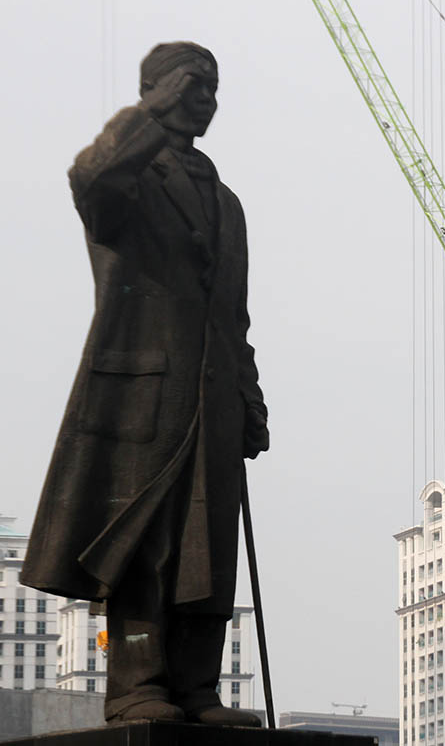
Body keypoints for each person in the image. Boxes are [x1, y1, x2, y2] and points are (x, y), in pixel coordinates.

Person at [20, 42, 269, 726]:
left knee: (208, 549)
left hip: (212, 400)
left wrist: (248, 396)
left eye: (214, 87)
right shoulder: (129, 182)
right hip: (143, 393)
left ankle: (196, 686)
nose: (205, 98)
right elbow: (91, 177)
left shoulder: (229, 205)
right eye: (191, 85)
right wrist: (146, 117)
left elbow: (234, 317)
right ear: (154, 89)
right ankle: (136, 683)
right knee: (144, 544)